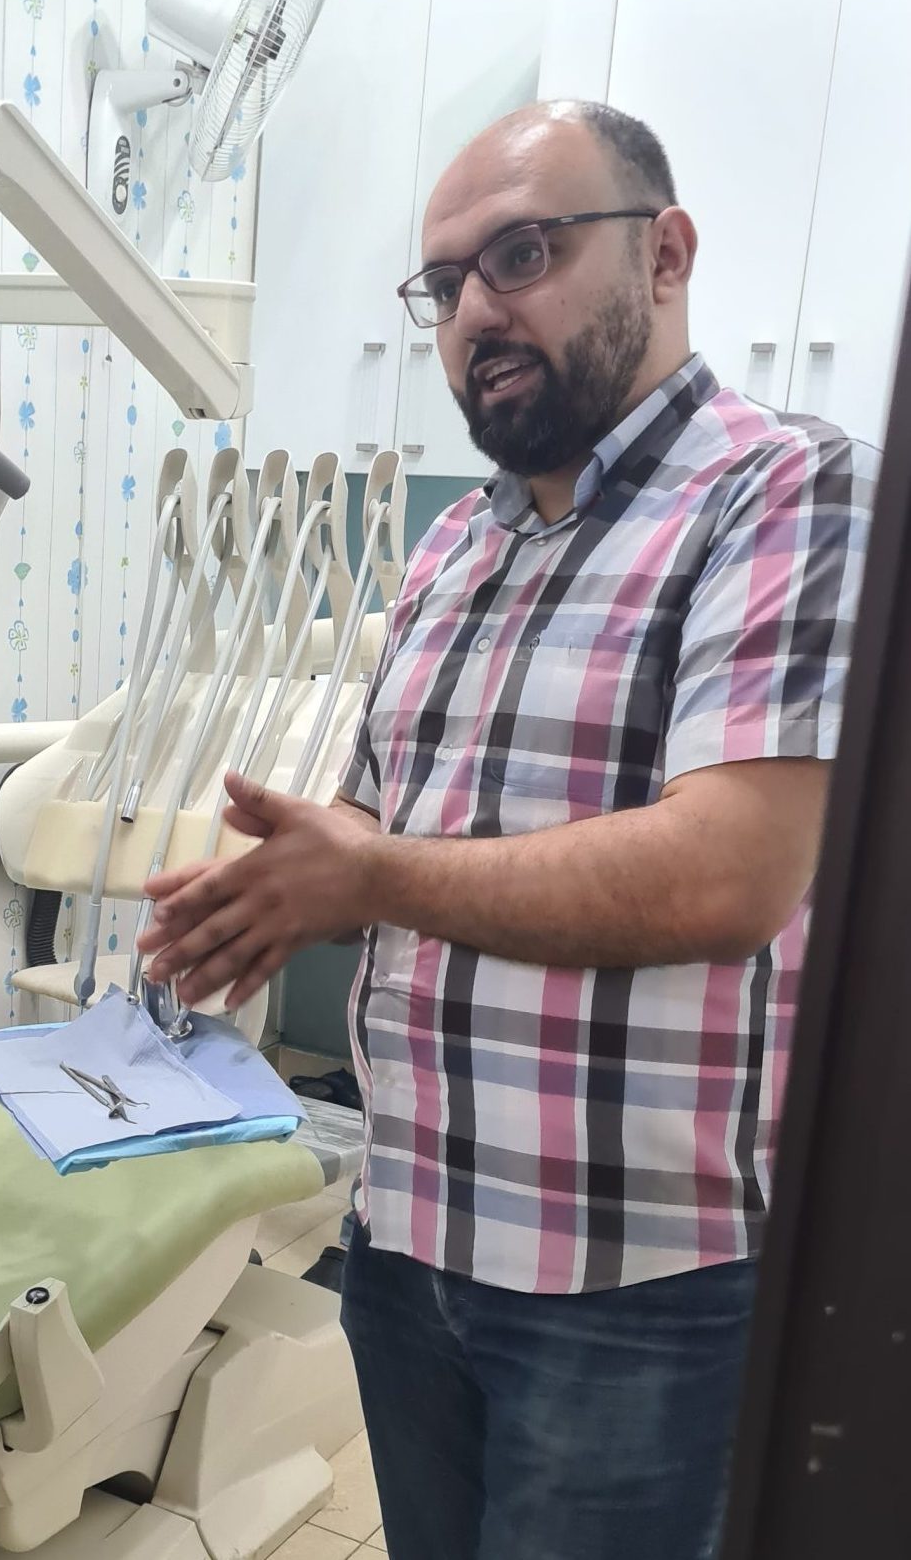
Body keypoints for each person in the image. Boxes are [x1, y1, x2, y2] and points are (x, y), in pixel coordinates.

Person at [135, 100, 875, 1560]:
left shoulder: (785, 492)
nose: (477, 308)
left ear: (664, 255)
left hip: (635, 1285)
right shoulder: (456, 545)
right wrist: (289, 880)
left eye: (523, 253)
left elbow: (727, 872)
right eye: (446, 282)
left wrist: (369, 870)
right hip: (409, 1233)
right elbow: (384, 813)